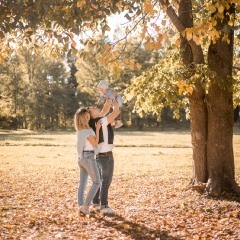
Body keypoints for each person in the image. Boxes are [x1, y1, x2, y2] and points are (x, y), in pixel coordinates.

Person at [88, 100, 120, 214]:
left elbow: (105, 110)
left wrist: (108, 101)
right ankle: (104, 206)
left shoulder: (93, 122)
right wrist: (116, 103)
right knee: (105, 181)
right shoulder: (101, 121)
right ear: (91, 114)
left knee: (98, 180)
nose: (95, 107)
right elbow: (116, 112)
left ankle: (96, 203)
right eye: (93, 108)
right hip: (106, 156)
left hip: (97, 156)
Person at [74, 107, 102, 215]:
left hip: (81, 158)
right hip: (89, 157)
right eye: (87, 115)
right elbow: (95, 143)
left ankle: (81, 206)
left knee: (82, 183)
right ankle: (86, 206)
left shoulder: (80, 131)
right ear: (84, 118)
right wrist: (98, 129)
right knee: (97, 182)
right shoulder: (88, 131)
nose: (89, 116)